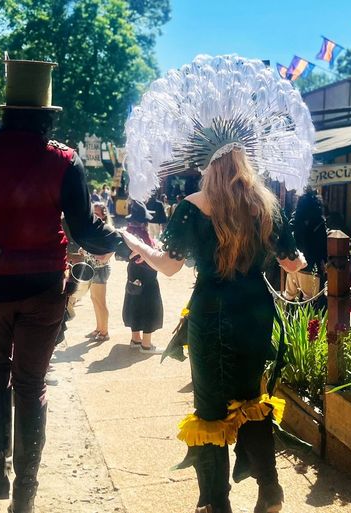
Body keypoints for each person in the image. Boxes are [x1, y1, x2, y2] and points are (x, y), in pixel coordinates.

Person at [0, 59, 128, 513]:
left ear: (5, 110)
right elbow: (84, 230)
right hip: (43, 289)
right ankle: (25, 496)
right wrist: (126, 243)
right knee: (30, 384)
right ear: (46, 115)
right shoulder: (63, 159)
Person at [121, 149, 306, 513]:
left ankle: (216, 503)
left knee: (210, 409)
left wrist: (138, 245)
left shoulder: (193, 205)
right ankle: (270, 490)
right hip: (255, 314)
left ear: (210, 167)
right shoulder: (266, 204)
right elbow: (293, 261)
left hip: (212, 315)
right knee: (250, 398)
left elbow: (169, 266)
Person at [122, 200, 164, 354]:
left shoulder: (129, 231)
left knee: (134, 301)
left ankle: (135, 339)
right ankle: (146, 345)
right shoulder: (141, 233)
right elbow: (149, 254)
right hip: (147, 276)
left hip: (133, 273)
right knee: (150, 306)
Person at [283, 189, 327, 303]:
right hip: (311, 265)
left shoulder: (296, 219)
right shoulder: (319, 222)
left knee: (290, 299)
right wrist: (324, 261)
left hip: (295, 263)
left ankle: (288, 320)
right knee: (310, 301)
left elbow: (288, 234)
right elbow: (322, 244)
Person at [83, 202, 113, 342]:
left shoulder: (107, 229)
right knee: (94, 299)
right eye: (93, 213)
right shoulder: (94, 229)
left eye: (97, 214)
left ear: (103, 215)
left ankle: (104, 331)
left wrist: (105, 258)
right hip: (92, 268)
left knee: (100, 301)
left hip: (100, 269)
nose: (94, 216)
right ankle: (99, 328)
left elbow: (114, 246)